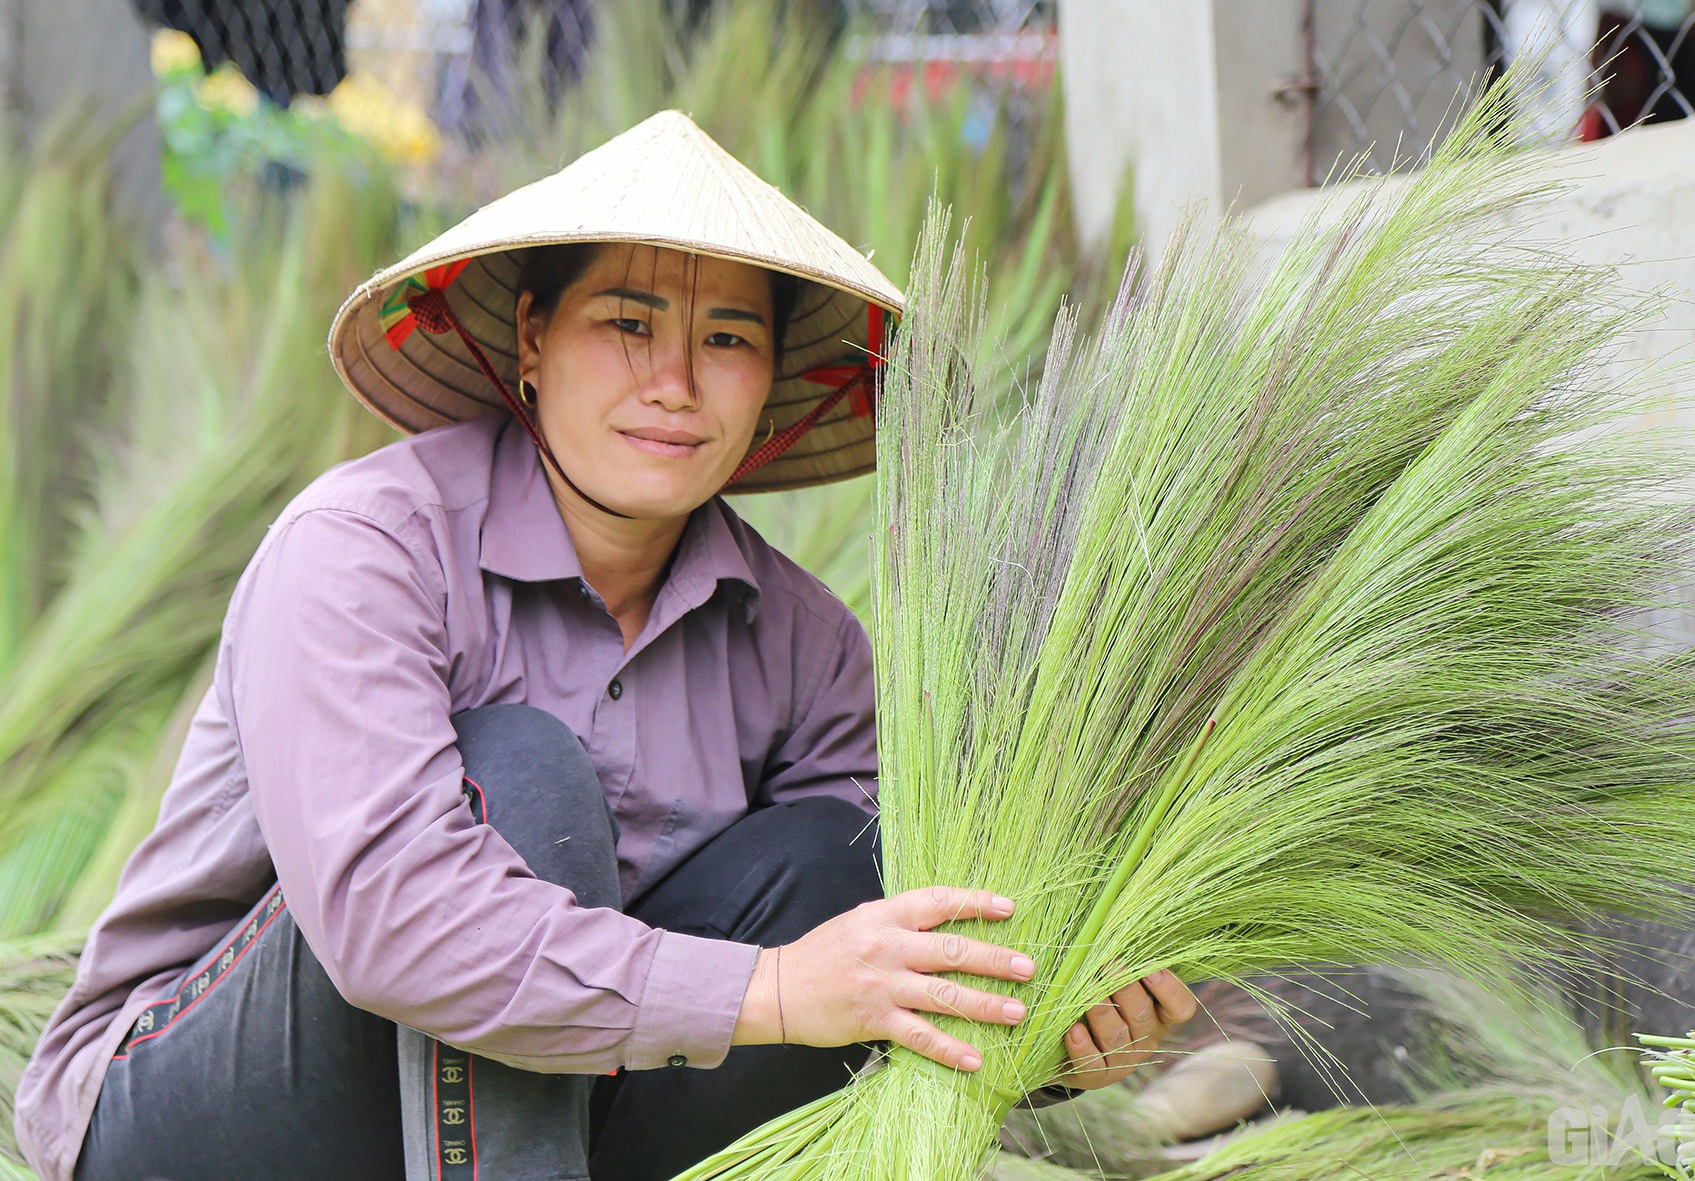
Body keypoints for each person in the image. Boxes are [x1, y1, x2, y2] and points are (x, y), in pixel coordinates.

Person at [15, 111, 1196, 1181]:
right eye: (626, 324)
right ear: (531, 340)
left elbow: (874, 937)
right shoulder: (366, 547)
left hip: (559, 1104)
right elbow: (391, 927)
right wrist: (777, 990)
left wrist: (1052, 1033)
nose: (675, 383)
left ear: (773, 375)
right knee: (517, 776)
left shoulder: (802, 641)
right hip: (197, 1111)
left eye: (727, 339)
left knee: (846, 856)